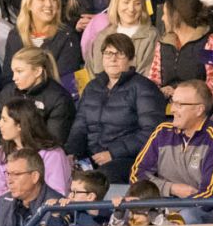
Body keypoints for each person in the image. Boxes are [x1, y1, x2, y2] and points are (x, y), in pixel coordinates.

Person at [67, 34, 165, 184]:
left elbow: (152, 132)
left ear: (131, 59)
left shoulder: (144, 88)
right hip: (92, 157)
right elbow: (79, 126)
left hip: (128, 159)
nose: (113, 59)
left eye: (120, 54)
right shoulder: (92, 87)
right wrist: (72, 153)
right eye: (108, 53)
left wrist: (113, 153)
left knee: (103, 177)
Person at [130, 79, 213, 206]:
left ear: (199, 110)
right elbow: (137, 176)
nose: (172, 110)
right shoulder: (162, 132)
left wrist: (174, 213)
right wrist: (171, 188)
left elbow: (209, 195)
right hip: (159, 206)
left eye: (179, 104)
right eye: (172, 102)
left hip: (194, 212)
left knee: (188, 216)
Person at [0, 98, 70, 202]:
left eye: (4, 120)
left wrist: (23, 196)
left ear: (20, 125)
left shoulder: (52, 155)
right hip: (8, 213)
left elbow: (57, 194)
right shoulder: (1, 153)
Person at [3, 0, 81, 84]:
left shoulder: (67, 37)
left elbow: (66, 81)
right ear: (29, 4)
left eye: (54, 0)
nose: (49, 4)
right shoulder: (16, 35)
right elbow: (8, 77)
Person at [0, 48, 75, 147]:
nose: (14, 78)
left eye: (19, 71)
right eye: (13, 72)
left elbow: (54, 141)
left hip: (42, 155)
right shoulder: (8, 92)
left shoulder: (59, 99)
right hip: (10, 149)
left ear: (37, 71)